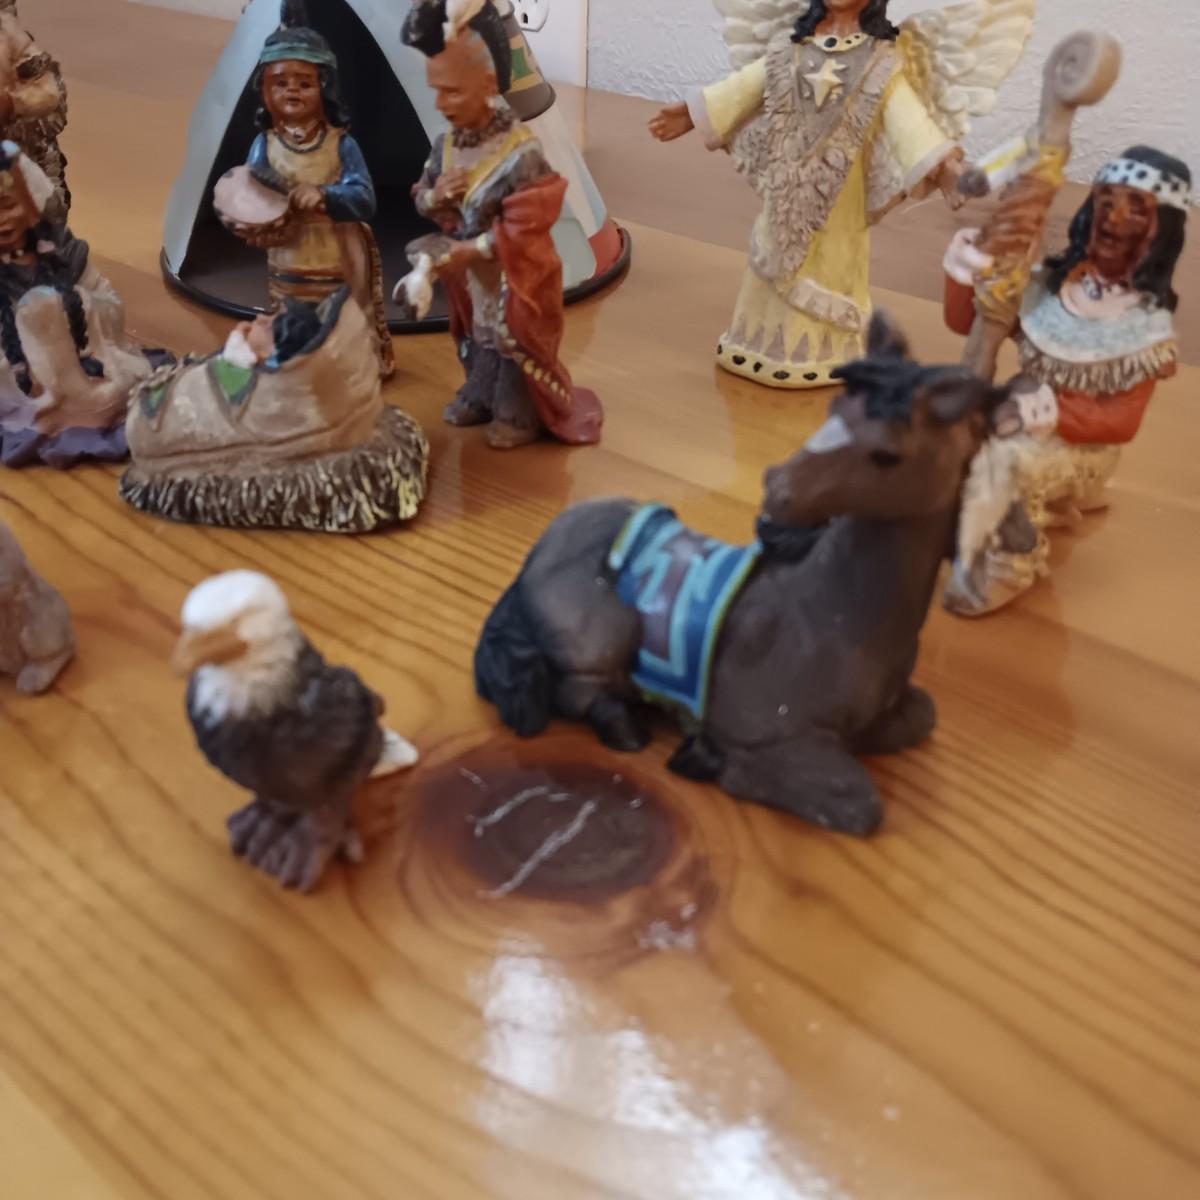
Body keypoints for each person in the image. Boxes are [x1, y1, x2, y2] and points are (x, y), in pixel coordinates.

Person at [648, 0, 1030, 389]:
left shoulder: (880, 61)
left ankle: (820, 350)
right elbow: (747, 85)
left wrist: (944, 168)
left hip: (840, 194)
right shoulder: (793, 46)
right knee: (772, 246)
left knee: (831, 257)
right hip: (786, 178)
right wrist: (691, 113)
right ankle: (755, 341)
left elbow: (908, 121)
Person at [943, 146, 1191, 615]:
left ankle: (1009, 561)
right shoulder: (1054, 285)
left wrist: (1048, 413)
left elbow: (1121, 421)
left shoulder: (1142, 326)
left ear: (1161, 232)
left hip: (1080, 444)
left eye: (1137, 209)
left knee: (1004, 461)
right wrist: (965, 271)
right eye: (1107, 201)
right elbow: (970, 325)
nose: (1114, 218)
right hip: (1015, 412)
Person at [400, 0, 602, 449]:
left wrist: (467, 251)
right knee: (479, 335)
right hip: (473, 282)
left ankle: (517, 408)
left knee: (512, 342)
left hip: (516, 280)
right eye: (436, 92)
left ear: (488, 84)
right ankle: (481, 391)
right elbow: (424, 197)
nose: (441, 104)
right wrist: (437, 197)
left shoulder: (520, 154)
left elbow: (527, 227)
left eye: (453, 92)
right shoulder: (446, 147)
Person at [233, 7, 393, 377]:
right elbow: (248, 194)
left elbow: (364, 198)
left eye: (304, 84)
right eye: (280, 83)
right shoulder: (265, 146)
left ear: (325, 89)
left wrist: (326, 196)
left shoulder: (340, 145)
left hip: (337, 259)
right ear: (265, 90)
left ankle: (347, 374)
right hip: (289, 259)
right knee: (291, 326)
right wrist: (252, 219)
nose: (292, 90)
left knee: (340, 325)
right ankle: (297, 371)